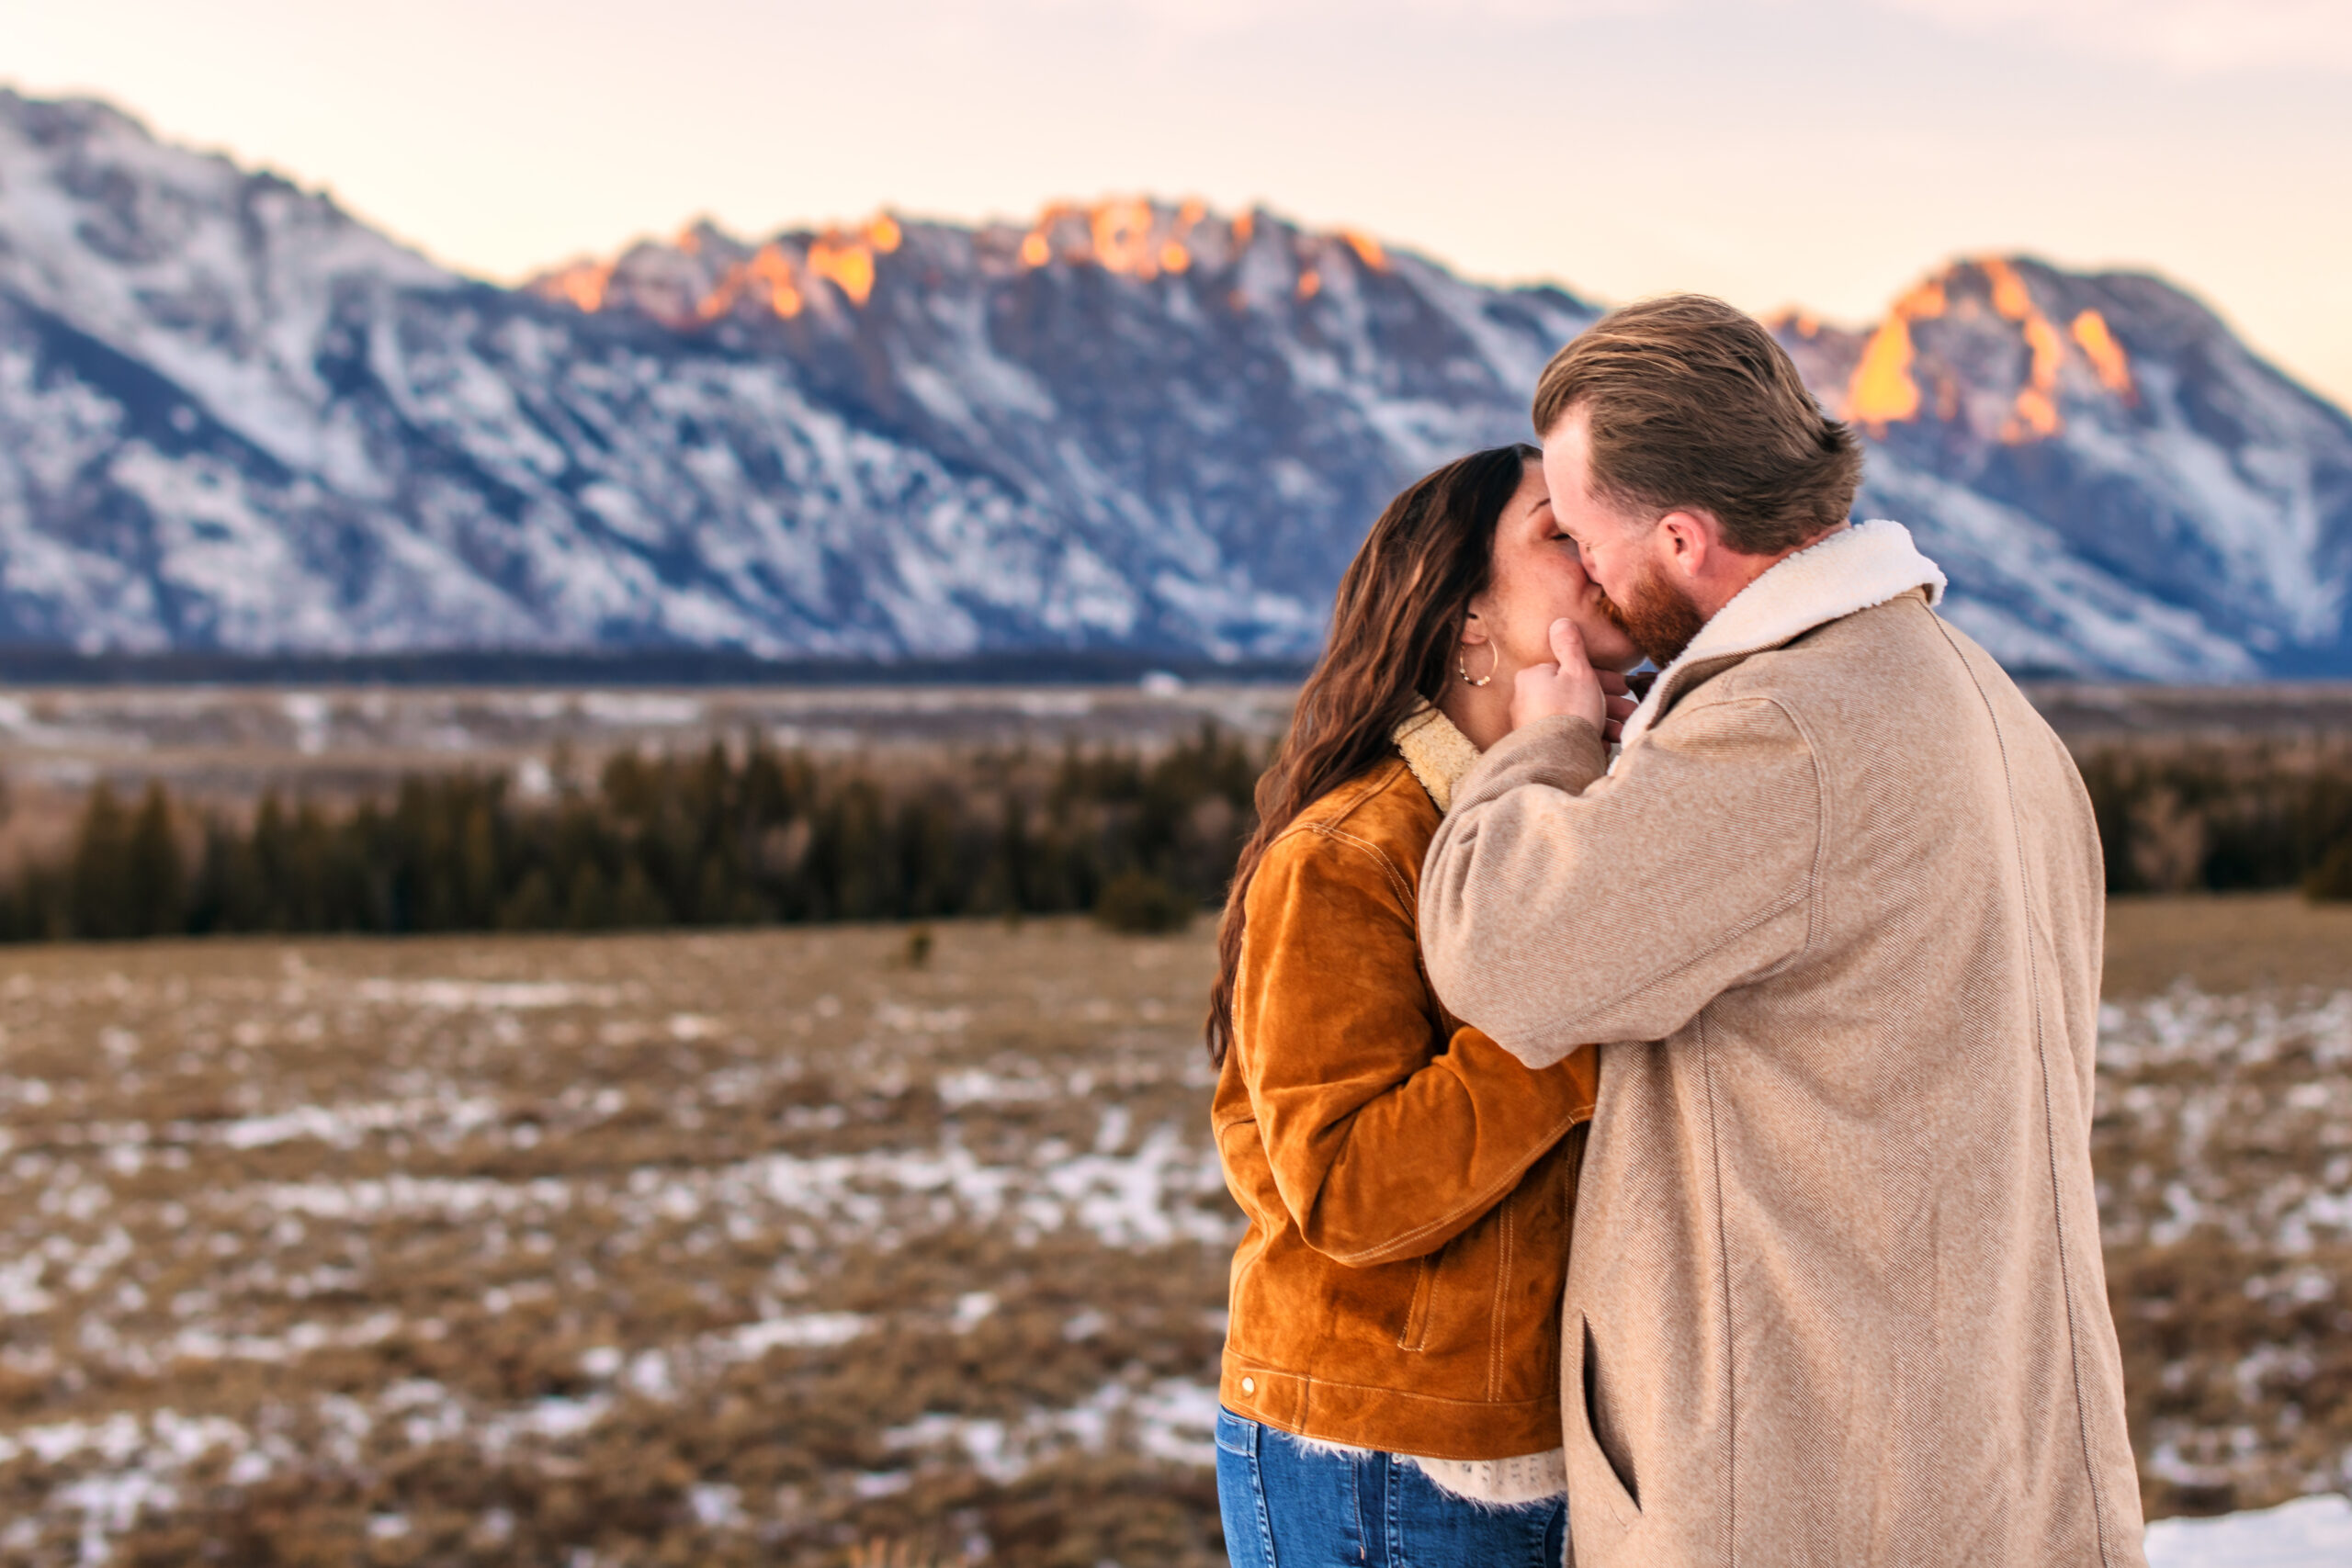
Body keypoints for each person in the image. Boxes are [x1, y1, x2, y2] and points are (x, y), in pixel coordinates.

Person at [1419, 296, 2146, 1566]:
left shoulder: (1786, 728)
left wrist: (1544, 740)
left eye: (1588, 541)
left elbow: (1503, 952)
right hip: (1982, 1450)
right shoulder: (1976, 690)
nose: (1582, 577)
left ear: (1685, 536)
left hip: (1814, 1482)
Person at [1205, 443, 1642, 1565]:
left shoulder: (1581, 819)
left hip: (1541, 1443)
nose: (1599, 553)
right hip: (1384, 1455)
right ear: (1464, 625)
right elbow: (1343, 1187)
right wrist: (1567, 1027)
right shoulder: (1348, 855)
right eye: (1560, 534)